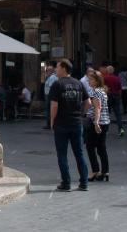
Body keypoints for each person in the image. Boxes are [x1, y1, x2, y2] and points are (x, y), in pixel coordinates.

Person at [49, 58, 90, 191]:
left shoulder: (57, 84)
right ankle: (84, 183)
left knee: (62, 154)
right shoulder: (78, 83)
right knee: (79, 153)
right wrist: (81, 113)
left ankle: (66, 183)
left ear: (64, 69)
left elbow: (54, 105)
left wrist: (52, 121)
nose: (56, 69)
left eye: (58, 67)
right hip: (76, 122)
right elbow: (88, 102)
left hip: (61, 123)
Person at [84, 70, 111, 181]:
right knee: (101, 148)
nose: (89, 81)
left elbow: (97, 108)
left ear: (96, 81)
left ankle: (95, 171)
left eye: (90, 79)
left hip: (97, 123)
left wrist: (96, 122)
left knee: (90, 147)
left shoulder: (95, 92)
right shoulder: (103, 91)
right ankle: (105, 171)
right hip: (105, 122)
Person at [102, 65, 125, 137]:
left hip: (108, 96)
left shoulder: (105, 78)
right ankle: (121, 129)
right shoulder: (117, 78)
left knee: (106, 113)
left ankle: (106, 130)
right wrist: (119, 97)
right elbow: (120, 89)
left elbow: (103, 88)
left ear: (107, 71)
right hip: (116, 96)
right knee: (118, 114)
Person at [42, 63, 58, 130]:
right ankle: (49, 123)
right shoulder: (50, 77)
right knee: (48, 110)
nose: (46, 72)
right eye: (47, 70)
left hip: (49, 96)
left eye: (48, 70)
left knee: (49, 110)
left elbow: (51, 87)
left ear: (51, 71)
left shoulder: (52, 77)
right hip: (48, 95)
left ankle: (49, 124)